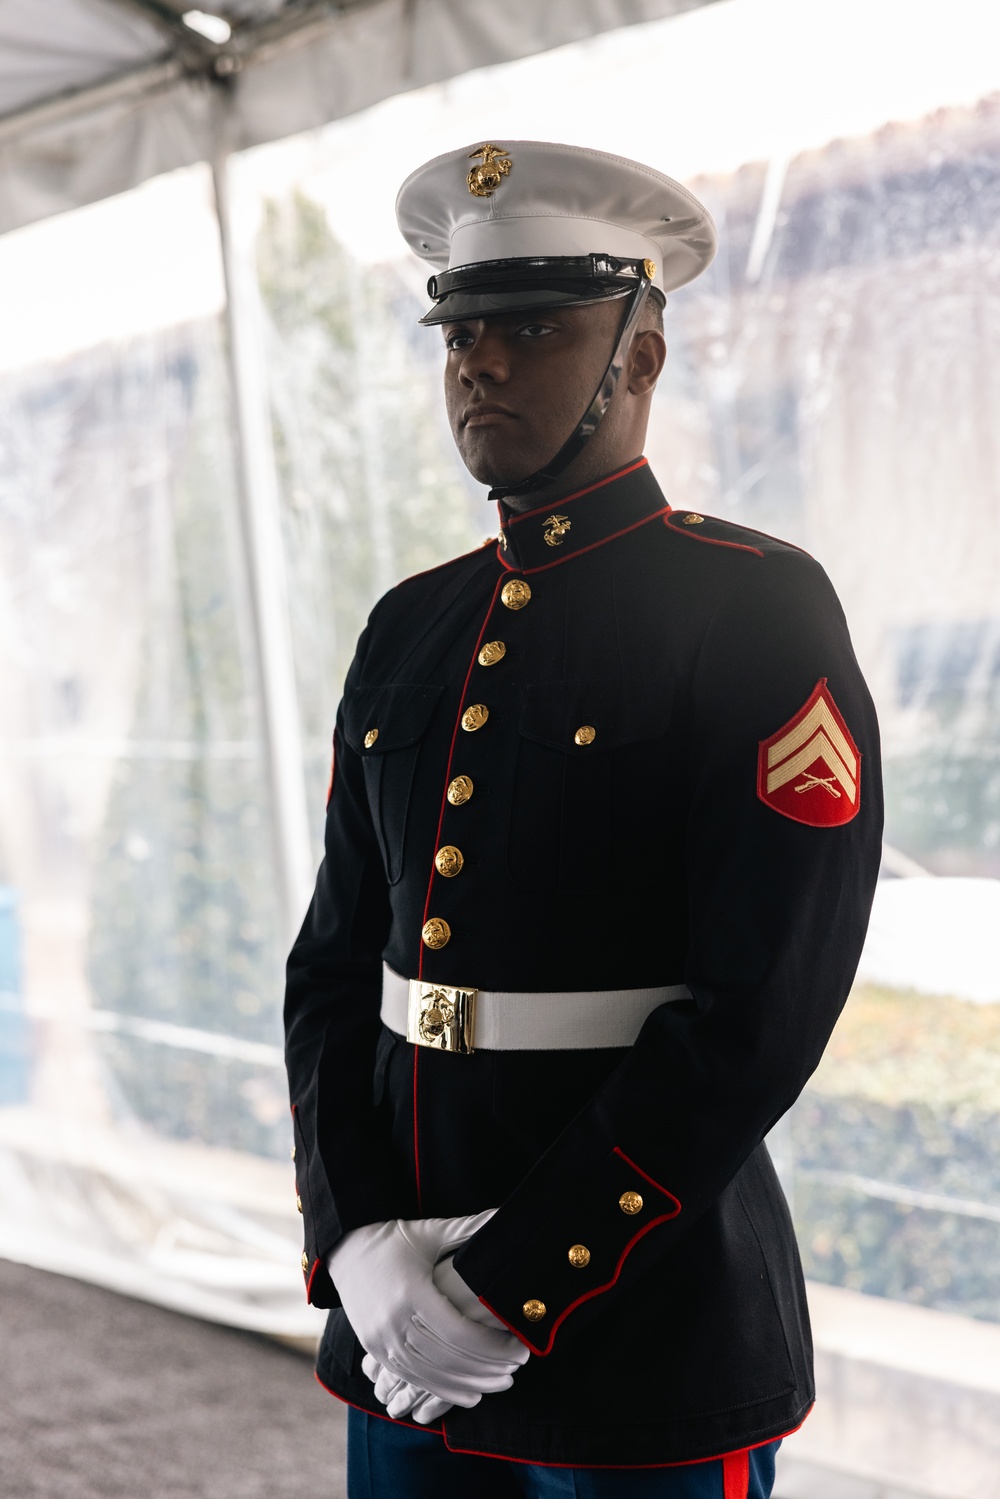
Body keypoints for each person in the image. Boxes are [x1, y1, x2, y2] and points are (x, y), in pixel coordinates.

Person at [284, 140, 883, 1498]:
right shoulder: (409, 625)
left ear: (642, 357)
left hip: (642, 1329)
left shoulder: (752, 608)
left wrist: (504, 1286)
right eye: (460, 334)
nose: (479, 366)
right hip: (396, 1345)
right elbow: (334, 968)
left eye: (533, 329)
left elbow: (761, 1013)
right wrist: (362, 1246)